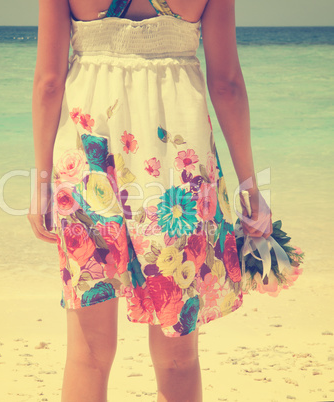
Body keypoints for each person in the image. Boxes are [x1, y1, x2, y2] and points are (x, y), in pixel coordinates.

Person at [27, 0, 273, 400]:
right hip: (179, 173)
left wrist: (40, 182)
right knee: (178, 355)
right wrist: (250, 188)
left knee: (88, 353)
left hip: (88, 159)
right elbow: (226, 85)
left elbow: (49, 82)